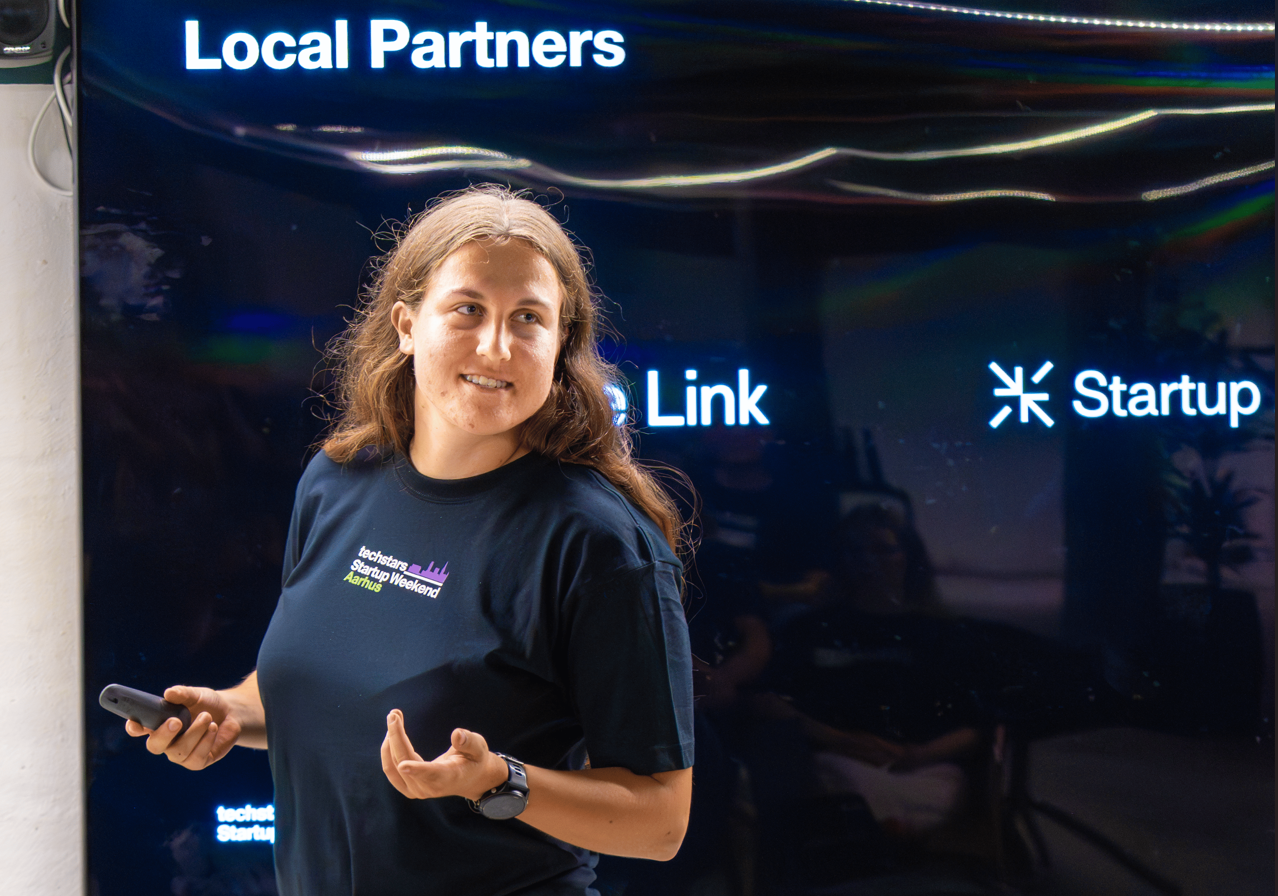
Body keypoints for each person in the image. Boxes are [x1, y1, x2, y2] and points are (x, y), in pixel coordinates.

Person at [125, 185, 696, 895]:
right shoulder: (337, 481)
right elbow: (334, 684)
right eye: (468, 309)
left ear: (559, 346)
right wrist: (232, 713)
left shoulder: (598, 542)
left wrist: (499, 780)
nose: (496, 346)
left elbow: (660, 821)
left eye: (528, 318)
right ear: (406, 324)